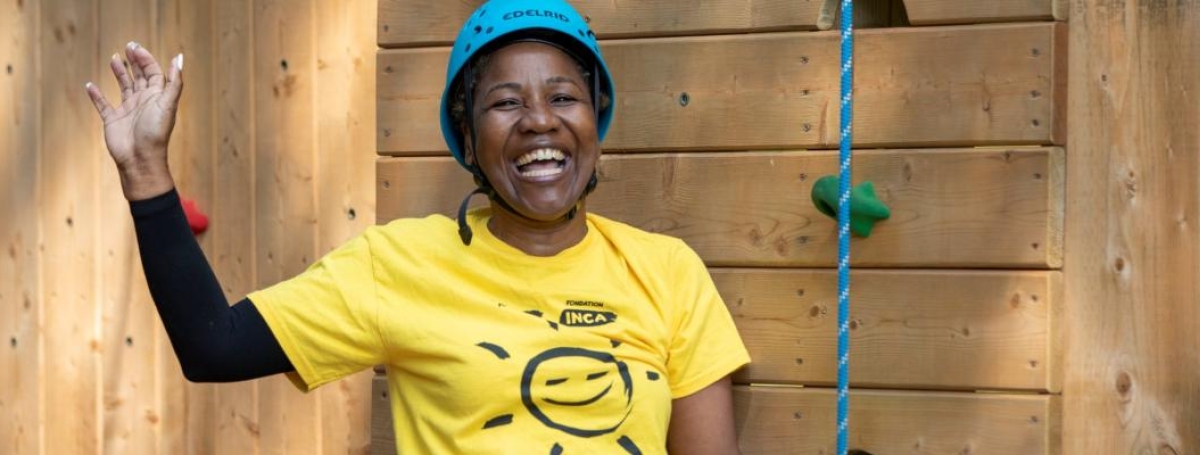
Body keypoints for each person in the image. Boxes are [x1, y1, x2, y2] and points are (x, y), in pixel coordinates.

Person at [85, 0, 750, 453]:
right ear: (468, 134)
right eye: (505, 102)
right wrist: (144, 168)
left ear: (594, 121)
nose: (540, 120)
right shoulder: (398, 262)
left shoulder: (668, 272)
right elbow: (213, 347)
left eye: (563, 96)